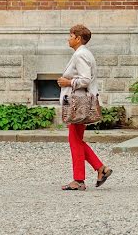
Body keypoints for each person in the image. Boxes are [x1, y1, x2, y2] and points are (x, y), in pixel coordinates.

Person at [57, 24, 112, 191]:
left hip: (78, 103)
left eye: (71, 35)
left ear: (78, 38)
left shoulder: (80, 55)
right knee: (76, 140)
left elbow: (85, 80)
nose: (68, 38)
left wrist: (68, 82)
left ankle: (79, 180)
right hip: (80, 102)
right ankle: (101, 169)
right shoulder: (83, 53)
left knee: (74, 140)